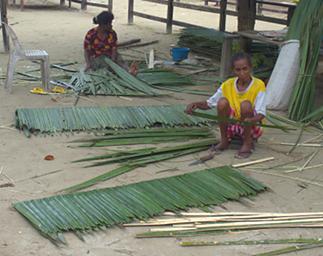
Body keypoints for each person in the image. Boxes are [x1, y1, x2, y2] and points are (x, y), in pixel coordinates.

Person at [186, 52, 266, 159]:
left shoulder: (258, 85)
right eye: (238, 70)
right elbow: (209, 103)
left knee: (246, 105)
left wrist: (251, 120)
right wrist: (195, 104)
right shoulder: (228, 84)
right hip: (233, 126)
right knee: (222, 102)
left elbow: (261, 113)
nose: (242, 73)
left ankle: (247, 143)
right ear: (233, 70)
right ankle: (224, 140)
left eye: (245, 69)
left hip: (251, 125)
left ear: (250, 68)